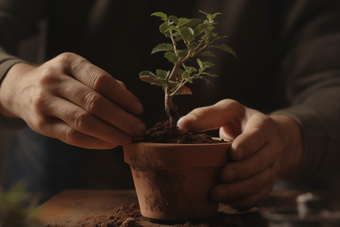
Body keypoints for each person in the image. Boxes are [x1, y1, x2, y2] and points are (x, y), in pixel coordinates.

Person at [1, 0, 340, 207]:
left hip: (227, 184)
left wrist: (282, 137)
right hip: (60, 172)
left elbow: (330, 81)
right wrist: (14, 81)